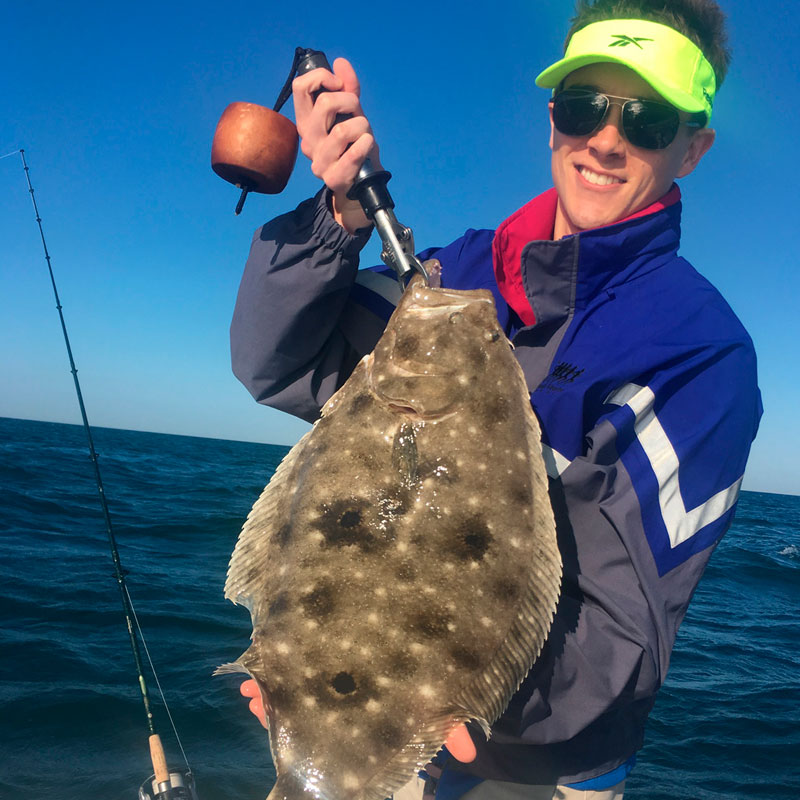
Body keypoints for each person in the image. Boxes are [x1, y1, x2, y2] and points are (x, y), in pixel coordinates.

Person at [230, 1, 762, 797]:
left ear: (693, 147)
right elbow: (276, 363)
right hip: (379, 710)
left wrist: (452, 702)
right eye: (586, 108)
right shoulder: (454, 274)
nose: (607, 140)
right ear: (554, 120)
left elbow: (621, 630)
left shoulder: (701, 351)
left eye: (648, 121)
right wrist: (337, 218)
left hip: (541, 766)